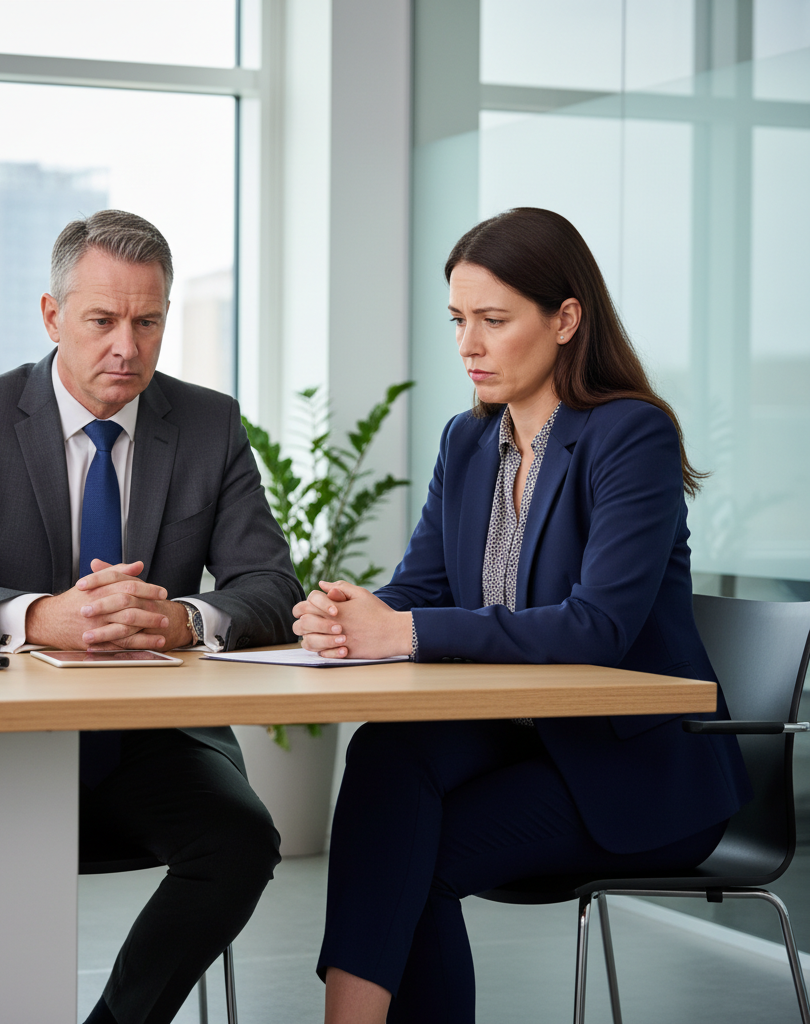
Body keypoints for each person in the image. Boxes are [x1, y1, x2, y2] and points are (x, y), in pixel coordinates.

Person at [292, 208, 752, 1024]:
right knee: (387, 756)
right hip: (519, 738)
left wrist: (404, 633)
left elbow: (596, 627)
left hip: (632, 771)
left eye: (493, 321)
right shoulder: (467, 444)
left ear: (565, 319)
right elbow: (423, 589)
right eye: (458, 320)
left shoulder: (629, 436)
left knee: (412, 857)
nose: (468, 344)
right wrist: (347, 613)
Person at [0, 210, 303, 1024]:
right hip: (6, 744)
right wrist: (40, 617)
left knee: (240, 841)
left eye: (148, 322)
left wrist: (178, 621)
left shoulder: (209, 424)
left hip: (156, 745)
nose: (127, 346)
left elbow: (270, 584)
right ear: (52, 316)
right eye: (102, 320)